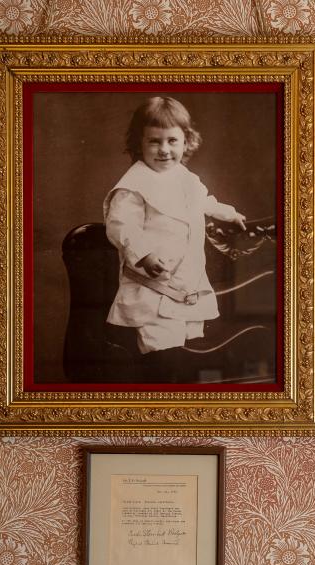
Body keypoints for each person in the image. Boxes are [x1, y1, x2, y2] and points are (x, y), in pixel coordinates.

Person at [104, 96, 246, 381]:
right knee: (162, 353)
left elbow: (203, 201)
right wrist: (144, 255)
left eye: (172, 141)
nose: (164, 150)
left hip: (186, 283)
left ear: (186, 141)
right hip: (151, 285)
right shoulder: (134, 185)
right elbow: (122, 226)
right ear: (139, 143)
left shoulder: (184, 177)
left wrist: (227, 213)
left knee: (185, 352)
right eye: (154, 141)